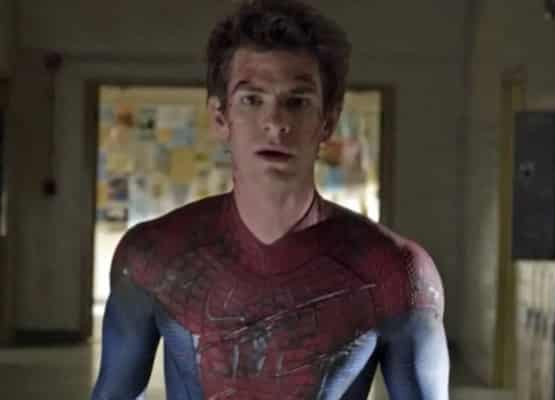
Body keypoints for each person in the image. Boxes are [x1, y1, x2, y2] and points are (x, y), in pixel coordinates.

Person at [91, 0, 450, 399]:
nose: (276, 123)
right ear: (220, 118)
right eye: (252, 99)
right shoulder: (153, 257)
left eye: (297, 101)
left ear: (328, 121)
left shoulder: (397, 273)